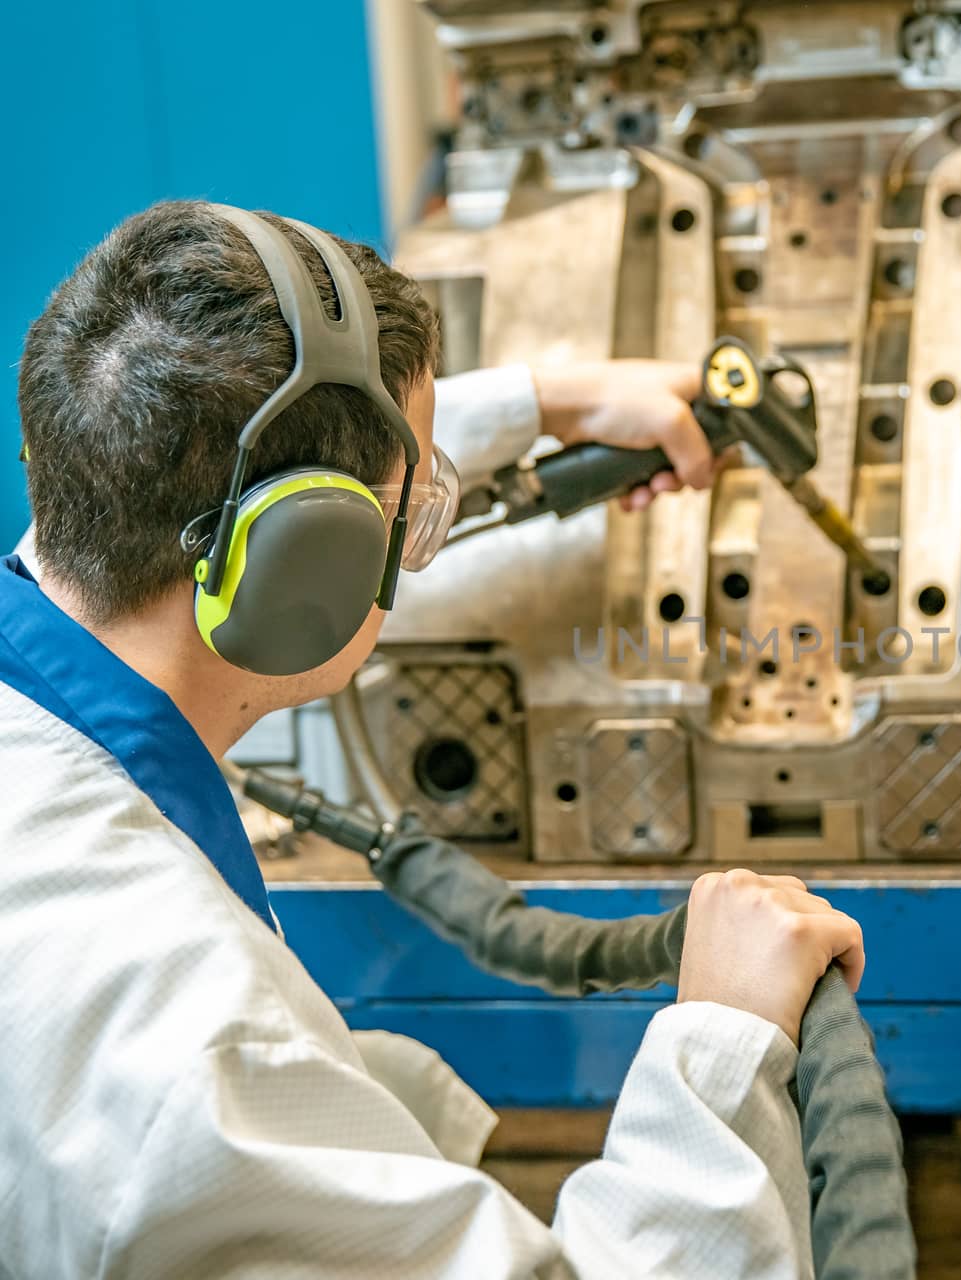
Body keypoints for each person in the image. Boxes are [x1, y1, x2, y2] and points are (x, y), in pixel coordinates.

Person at [0, 200, 866, 1278]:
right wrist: (721, 1046)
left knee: (395, 1079)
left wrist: (551, 400)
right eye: (409, 517)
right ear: (304, 570)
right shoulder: (202, 1048)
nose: (418, 544)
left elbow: (241, 453)